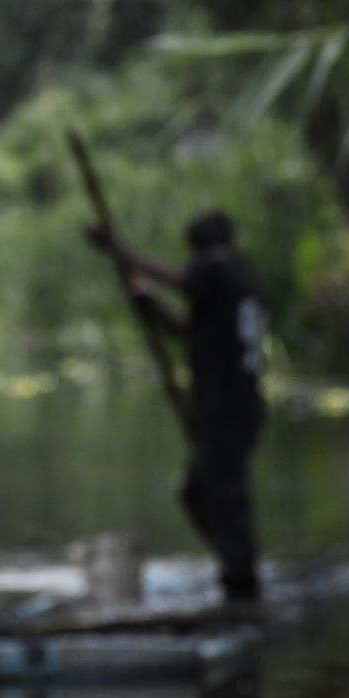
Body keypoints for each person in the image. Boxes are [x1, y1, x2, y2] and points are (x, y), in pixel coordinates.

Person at [89, 211, 266, 602]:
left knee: (223, 491)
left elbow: (181, 279)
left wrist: (118, 251)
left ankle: (241, 579)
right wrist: (149, 304)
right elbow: (189, 333)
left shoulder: (222, 267)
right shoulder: (233, 282)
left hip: (231, 406)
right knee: (199, 491)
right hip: (225, 407)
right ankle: (234, 568)